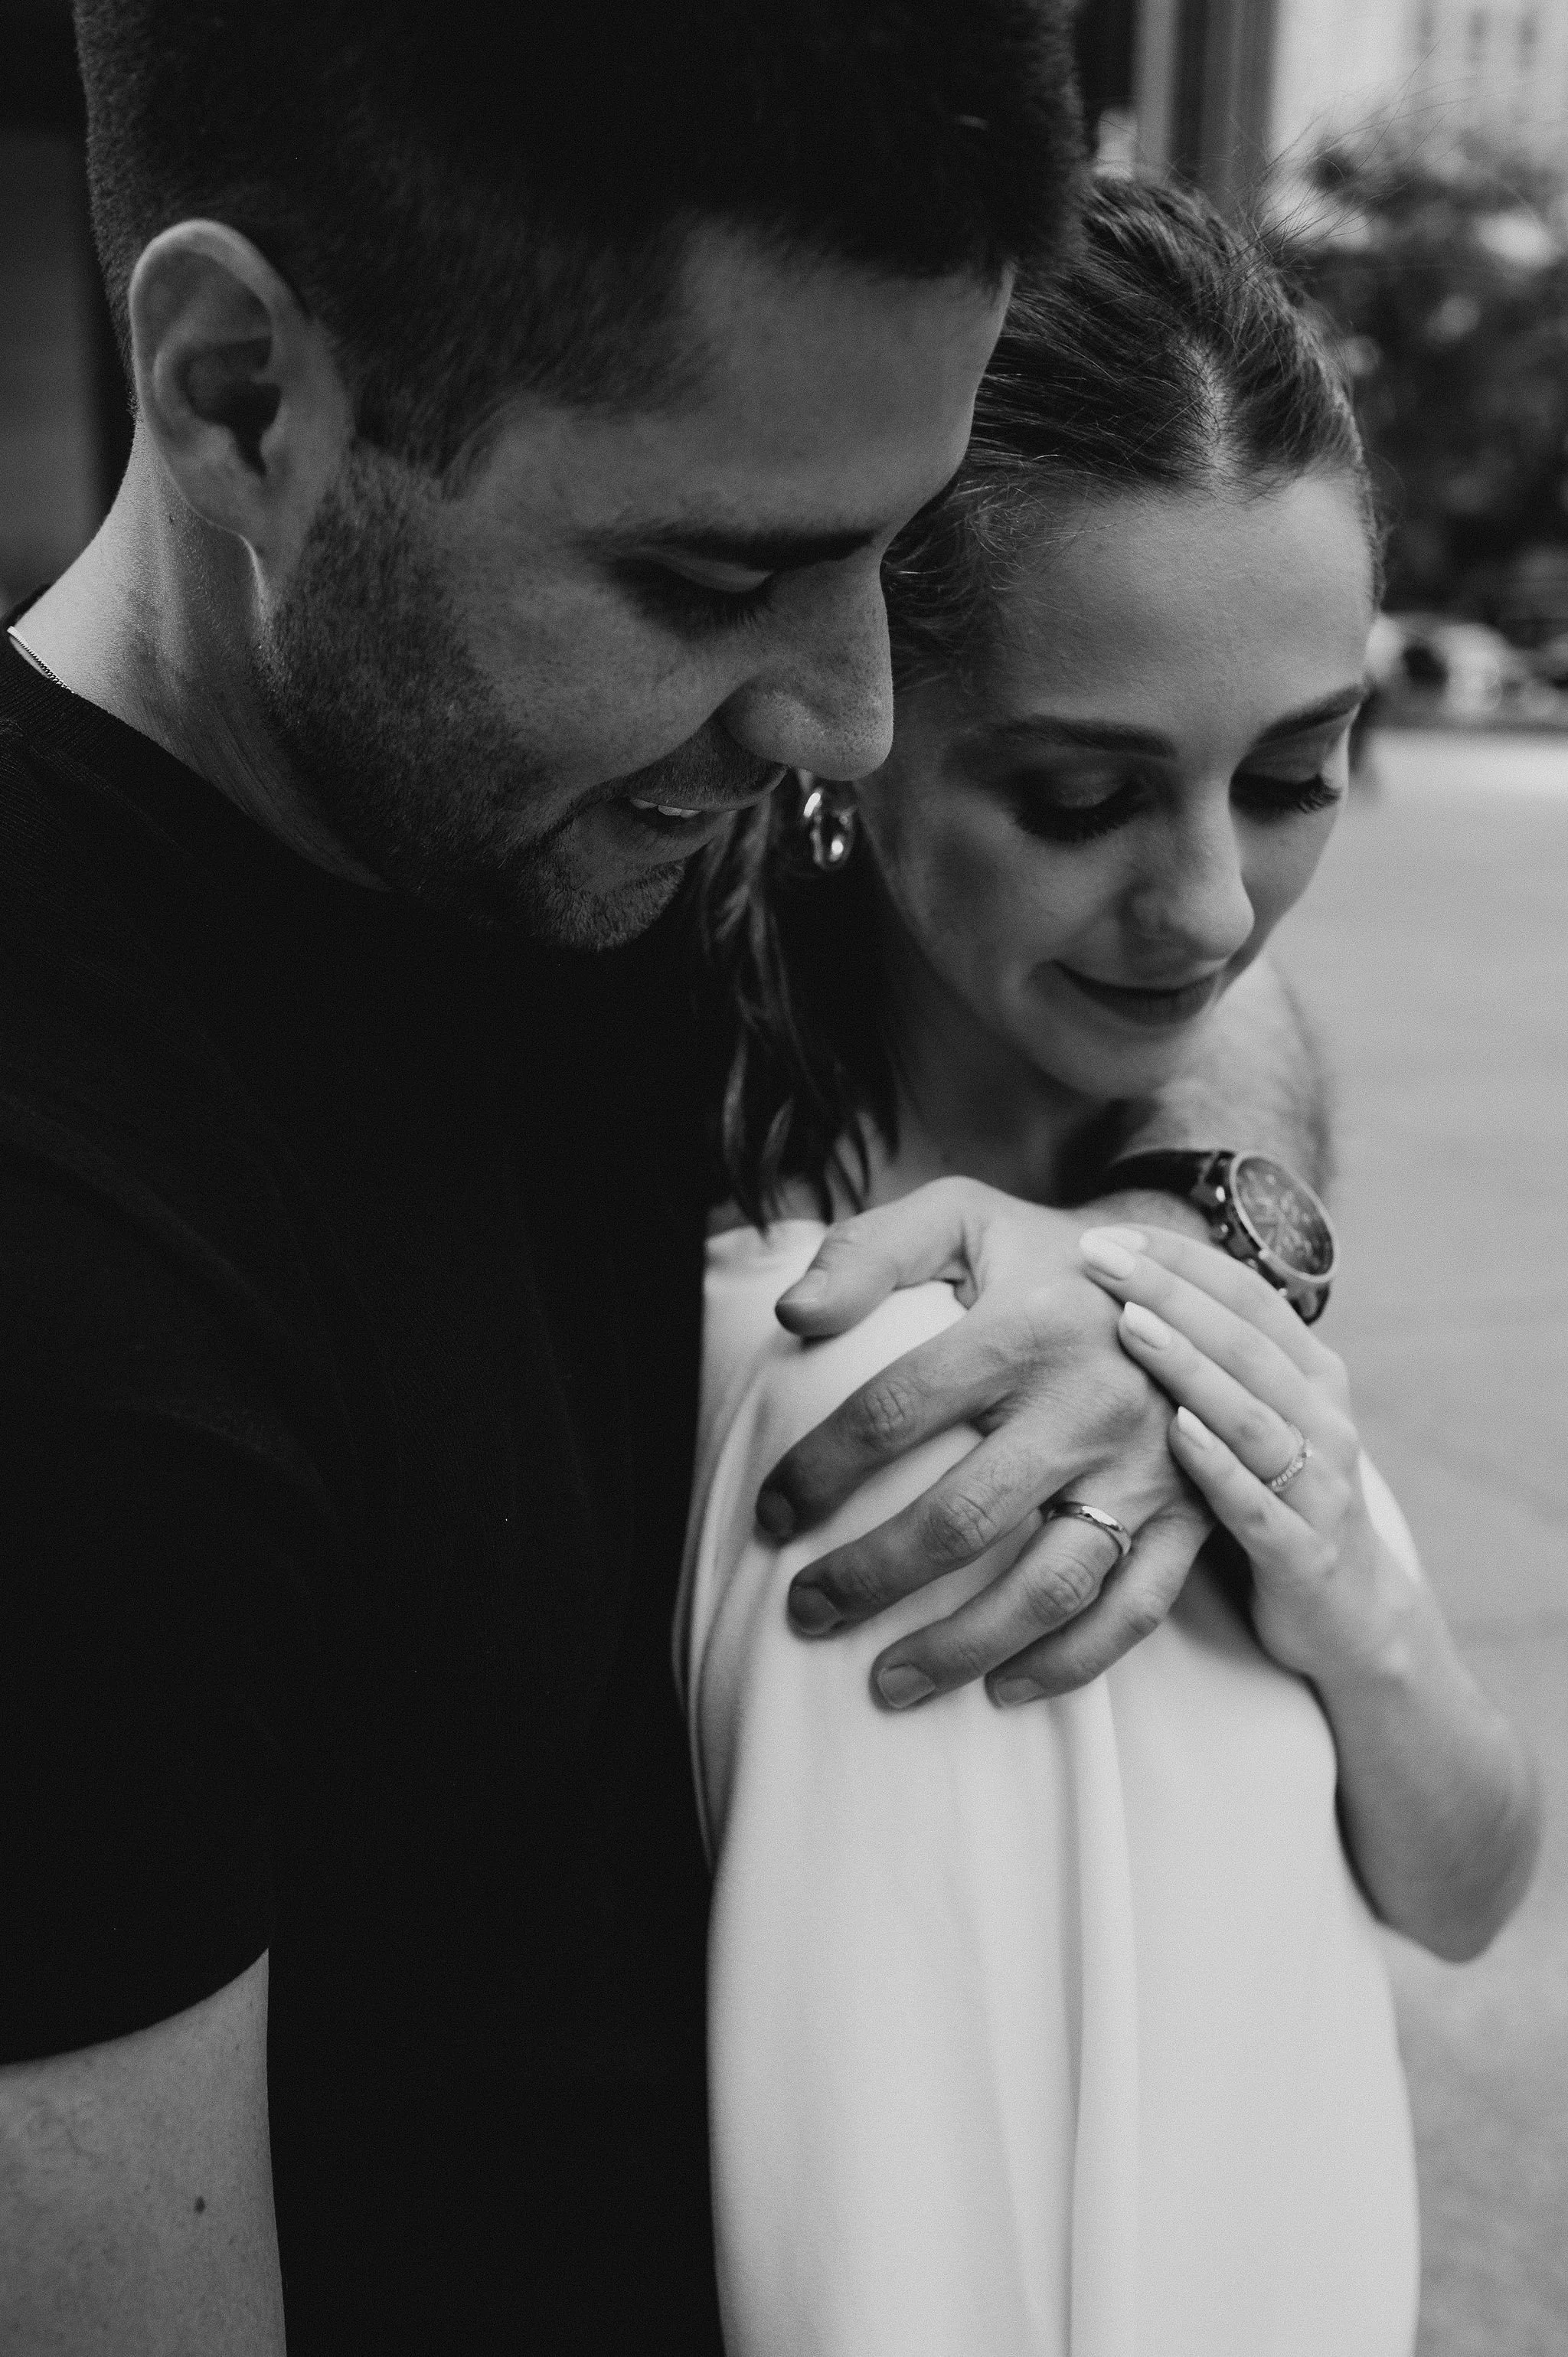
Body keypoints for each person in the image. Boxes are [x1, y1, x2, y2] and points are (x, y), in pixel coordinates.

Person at [0, 8, 1334, 2349]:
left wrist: (1176, 1256)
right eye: (717, 576)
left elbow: (1181, 981)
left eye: (898, 558)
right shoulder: (69, 1263)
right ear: (240, 395)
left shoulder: (597, 808)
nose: (848, 717)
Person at [683, 180, 1541, 2357]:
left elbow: (1464, 1869)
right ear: (858, 722)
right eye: (1081, 793)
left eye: (1294, 777)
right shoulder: (779, 1296)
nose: (1204, 905)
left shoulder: (1196, 1181)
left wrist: (1348, 1611)